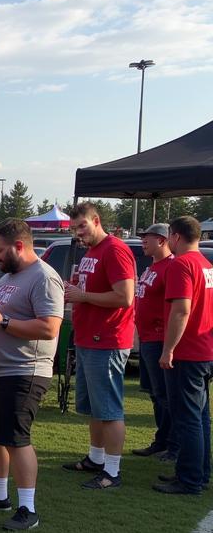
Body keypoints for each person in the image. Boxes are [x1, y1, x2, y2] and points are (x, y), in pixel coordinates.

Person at [0, 219, 64, 531]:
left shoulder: (44, 278)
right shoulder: (10, 275)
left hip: (23, 371)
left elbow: (49, 327)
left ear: (19, 246)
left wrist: (1, 322)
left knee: (16, 440)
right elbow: (0, 315)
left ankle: (28, 508)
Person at [61, 202, 135, 490]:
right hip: (89, 337)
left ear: (96, 220)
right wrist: (75, 292)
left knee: (109, 410)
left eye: (82, 226)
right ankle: (95, 458)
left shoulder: (115, 249)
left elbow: (125, 297)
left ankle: (112, 471)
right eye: (74, 229)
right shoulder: (92, 251)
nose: (78, 233)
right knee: (95, 408)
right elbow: (88, 292)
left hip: (107, 339)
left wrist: (83, 295)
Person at [154, 215, 213, 496]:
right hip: (203, 350)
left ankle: (189, 479)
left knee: (188, 417)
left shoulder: (181, 265)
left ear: (175, 237)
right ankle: (198, 473)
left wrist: (169, 349)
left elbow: (182, 310)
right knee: (200, 416)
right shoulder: (205, 264)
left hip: (187, 352)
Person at [132, 223, 176, 460]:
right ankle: (162, 440)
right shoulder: (152, 267)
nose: (143, 242)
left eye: (146, 238)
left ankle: (173, 444)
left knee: (165, 395)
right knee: (154, 393)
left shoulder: (170, 267)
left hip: (160, 339)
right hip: (147, 338)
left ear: (162, 240)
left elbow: (176, 307)